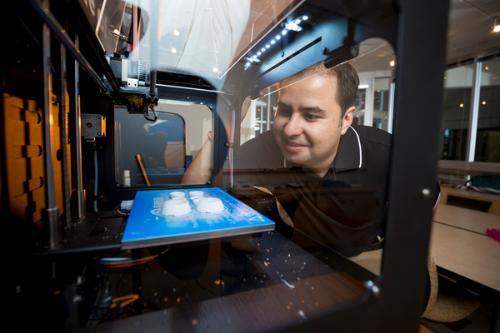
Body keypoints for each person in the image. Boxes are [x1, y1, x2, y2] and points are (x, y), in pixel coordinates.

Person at [184, 62, 393, 257]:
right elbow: (188, 197)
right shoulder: (270, 147)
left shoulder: (385, 153)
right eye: (284, 111)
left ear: (346, 119)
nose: (290, 130)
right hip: (302, 261)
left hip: (364, 261)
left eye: (311, 116)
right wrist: (225, 125)